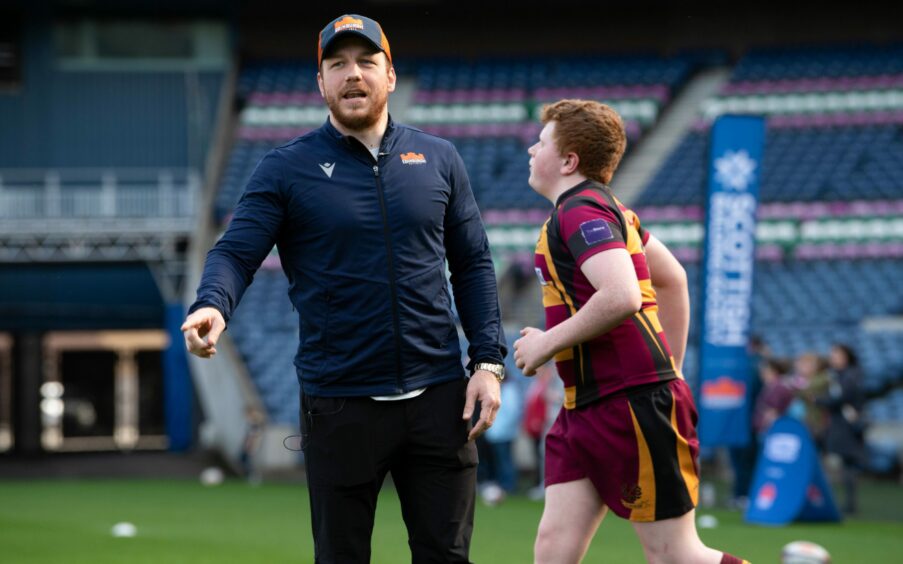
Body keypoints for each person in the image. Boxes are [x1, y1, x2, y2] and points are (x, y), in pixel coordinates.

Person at [180, 14, 507, 563]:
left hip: (438, 398)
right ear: (321, 84)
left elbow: (472, 264)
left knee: (447, 557)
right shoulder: (286, 168)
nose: (352, 74)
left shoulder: (440, 158)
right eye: (337, 65)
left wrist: (488, 363)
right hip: (339, 403)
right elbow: (235, 251)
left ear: (391, 75)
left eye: (365, 62)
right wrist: (212, 303)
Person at [513, 99, 747, 564]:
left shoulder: (579, 212)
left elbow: (622, 295)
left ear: (568, 161)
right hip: (587, 407)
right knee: (552, 549)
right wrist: (674, 367)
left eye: (540, 144)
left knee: (675, 556)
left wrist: (545, 344)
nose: (530, 152)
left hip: (631, 404)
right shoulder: (608, 209)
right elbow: (673, 277)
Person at [818, 343, 866, 514]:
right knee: (844, 464)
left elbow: (839, 399)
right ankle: (845, 503)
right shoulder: (839, 375)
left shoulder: (849, 376)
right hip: (840, 425)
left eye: (837, 355)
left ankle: (849, 504)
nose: (833, 359)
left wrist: (818, 400)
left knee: (848, 464)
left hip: (847, 427)